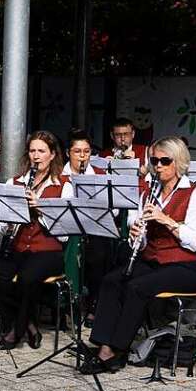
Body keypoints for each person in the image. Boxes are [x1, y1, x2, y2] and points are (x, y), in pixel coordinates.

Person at [85, 136, 196, 373]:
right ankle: (101, 342)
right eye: (155, 161)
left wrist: (167, 220)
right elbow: (142, 245)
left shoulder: (195, 195)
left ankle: (115, 350)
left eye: (165, 160)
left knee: (137, 287)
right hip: (154, 261)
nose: (159, 165)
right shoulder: (148, 194)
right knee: (112, 280)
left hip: (187, 266)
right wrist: (136, 235)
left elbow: (194, 242)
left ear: (179, 162)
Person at [0, 131, 72, 351]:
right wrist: (10, 220)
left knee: (26, 278)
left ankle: (16, 331)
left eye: (42, 151)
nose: (36, 156)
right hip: (19, 246)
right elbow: (3, 226)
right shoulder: (16, 182)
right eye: (32, 151)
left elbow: (64, 233)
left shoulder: (63, 185)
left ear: (52, 155)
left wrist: (39, 208)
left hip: (49, 251)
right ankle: (28, 323)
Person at [63, 130, 111, 320]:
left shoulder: (100, 175)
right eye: (77, 152)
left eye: (86, 152)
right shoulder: (59, 175)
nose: (82, 157)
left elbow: (112, 210)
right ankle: (68, 302)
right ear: (68, 153)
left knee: (100, 252)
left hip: (93, 228)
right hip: (67, 229)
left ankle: (93, 303)